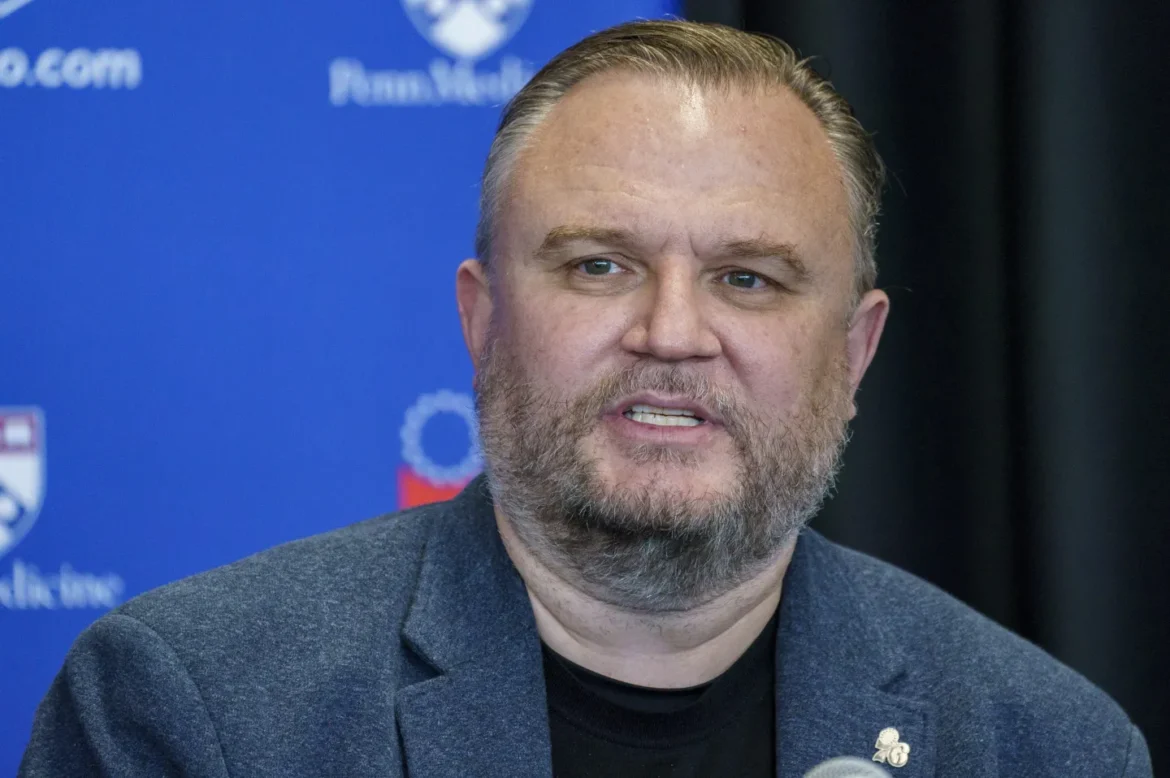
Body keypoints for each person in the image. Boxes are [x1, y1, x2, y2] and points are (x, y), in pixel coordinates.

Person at [19, 20, 1151, 778]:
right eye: (600, 264)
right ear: (482, 319)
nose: (672, 331)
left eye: (747, 279)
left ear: (854, 354)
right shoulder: (195, 710)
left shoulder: (1044, 746)